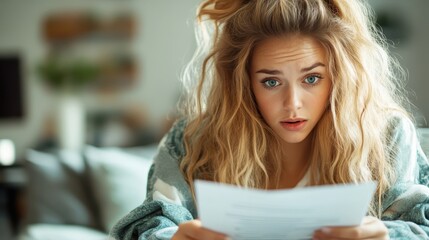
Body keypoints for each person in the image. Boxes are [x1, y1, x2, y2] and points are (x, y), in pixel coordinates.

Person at [110, 0, 429, 239]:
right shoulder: (192, 141)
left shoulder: (385, 135)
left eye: (312, 79)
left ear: (339, 76)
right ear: (243, 82)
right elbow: (151, 225)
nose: (292, 104)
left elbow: (420, 225)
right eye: (271, 82)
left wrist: (390, 237)